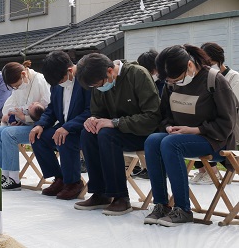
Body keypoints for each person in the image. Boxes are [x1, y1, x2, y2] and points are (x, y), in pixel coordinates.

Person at [144, 44, 237, 226]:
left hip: (216, 141)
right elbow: (164, 116)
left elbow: (227, 124)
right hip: (180, 137)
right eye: (171, 82)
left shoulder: (215, 81)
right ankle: (161, 204)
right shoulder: (171, 85)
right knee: (153, 141)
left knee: (171, 144)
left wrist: (195, 130)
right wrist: (169, 126)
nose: (174, 84)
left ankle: (183, 209)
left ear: (189, 65)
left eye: (177, 80)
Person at [74, 53, 160, 215]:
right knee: (88, 133)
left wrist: (115, 123)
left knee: (107, 134)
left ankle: (120, 196)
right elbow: (98, 112)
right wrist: (93, 120)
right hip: (117, 131)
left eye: (99, 84)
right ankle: (100, 193)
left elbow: (152, 116)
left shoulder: (137, 74)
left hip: (143, 132)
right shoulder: (99, 83)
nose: (98, 88)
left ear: (110, 71)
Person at [29, 51, 91, 200]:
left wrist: (68, 127)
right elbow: (51, 109)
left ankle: (74, 182)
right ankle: (59, 178)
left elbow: (91, 111)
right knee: (38, 137)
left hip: (83, 130)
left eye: (61, 80)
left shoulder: (87, 80)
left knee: (65, 138)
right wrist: (40, 125)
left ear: (70, 71)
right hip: (65, 128)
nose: (60, 84)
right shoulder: (57, 83)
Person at [0, 60, 50, 191]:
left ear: (23, 74)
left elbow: (47, 109)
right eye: (13, 87)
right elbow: (8, 108)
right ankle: (2, 176)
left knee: (8, 133)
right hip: (26, 124)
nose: (16, 88)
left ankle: (14, 179)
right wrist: (16, 118)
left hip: (40, 127)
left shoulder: (39, 81)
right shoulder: (19, 85)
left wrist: (24, 116)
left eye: (16, 85)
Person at [187, 42, 239, 184]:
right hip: (210, 120)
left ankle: (212, 173)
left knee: (204, 131)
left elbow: (231, 105)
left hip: (229, 123)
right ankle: (205, 171)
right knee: (194, 127)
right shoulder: (203, 76)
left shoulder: (234, 77)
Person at [129, 49, 164, 180]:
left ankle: (152, 169)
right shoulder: (139, 82)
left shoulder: (165, 84)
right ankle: (145, 168)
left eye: (150, 71)